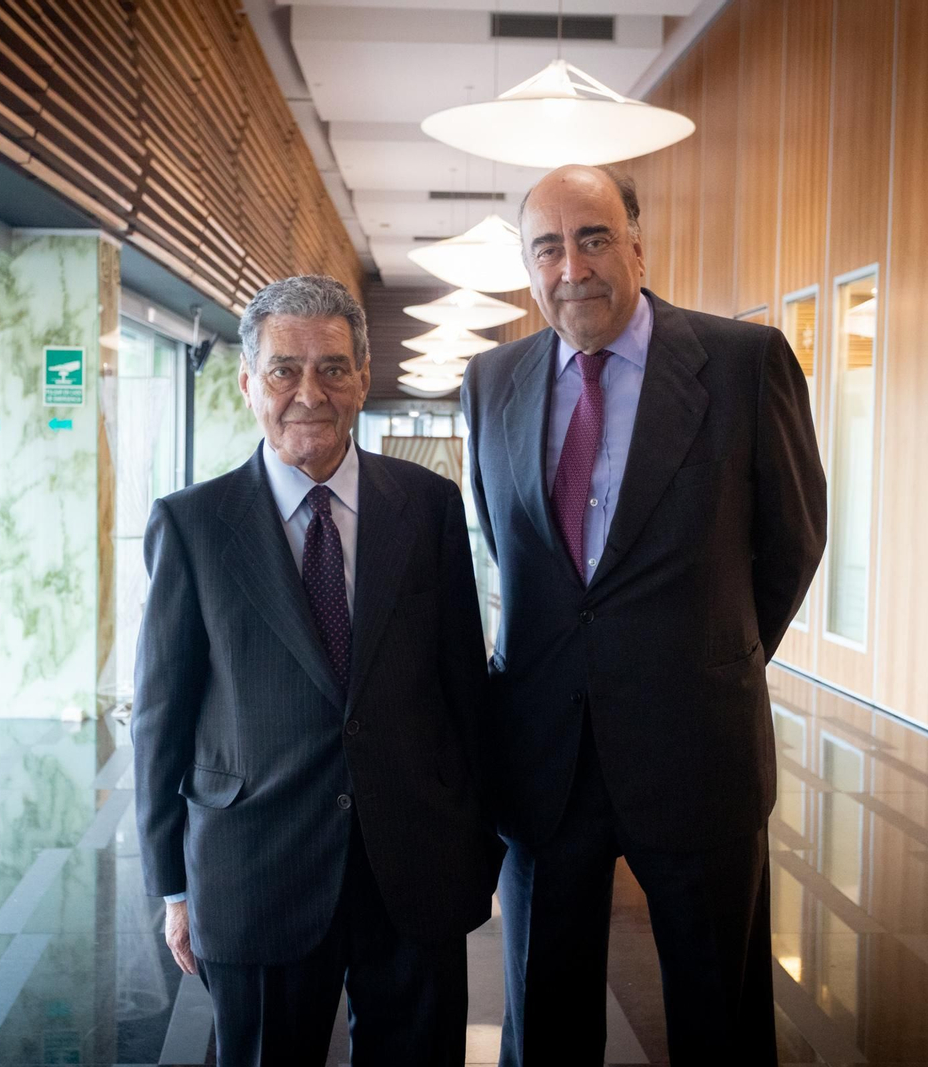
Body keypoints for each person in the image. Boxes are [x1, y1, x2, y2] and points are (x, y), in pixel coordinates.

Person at [460, 165, 826, 1064]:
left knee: (720, 1017)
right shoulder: (490, 379)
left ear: (636, 242)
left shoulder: (742, 364)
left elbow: (794, 540)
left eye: (592, 238)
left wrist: (716, 658)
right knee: (545, 1019)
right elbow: (512, 548)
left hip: (697, 747)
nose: (572, 267)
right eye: (547, 246)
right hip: (544, 761)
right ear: (526, 263)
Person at [132, 274, 498, 1066]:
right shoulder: (192, 525)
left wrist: (478, 844)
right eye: (283, 369)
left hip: (415, 869)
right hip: (255, 870)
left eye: (333, 367)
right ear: (247, 382)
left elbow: (463, 688)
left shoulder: (431, 507)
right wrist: (172, 886)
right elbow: (161, 717)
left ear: (364, 376)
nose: (309, 391)